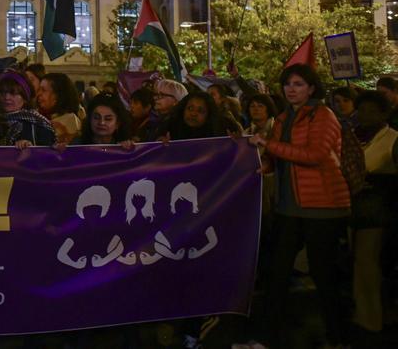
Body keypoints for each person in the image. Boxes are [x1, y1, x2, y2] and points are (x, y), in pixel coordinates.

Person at [248, 64, 351, 349]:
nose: (291, 89)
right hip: (288, 207)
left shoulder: (324, 116)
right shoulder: (283, 118)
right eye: (287, 84)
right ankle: (266, 338)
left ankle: (338, 338)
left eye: (298, 84)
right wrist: (265, 165)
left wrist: (269, 145)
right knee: (277, 274)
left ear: (312, 88)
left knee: (324, 274)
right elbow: (280, 157)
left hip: (323, 206)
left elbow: (315, 155)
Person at [350, 90, 397, 335]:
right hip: (349, 211)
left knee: (368, 265)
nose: (365, 114)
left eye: (371, 110)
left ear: (384, 113)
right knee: (357, 263)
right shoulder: (350, 136)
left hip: (378, 212)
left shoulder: (393, 139)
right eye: (362, 109)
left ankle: (370, 320)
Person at [0, 70, 55, 148]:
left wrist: (30, 148)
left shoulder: (39, 124)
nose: (6, 97)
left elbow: (49, 156)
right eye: (2, 93)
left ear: (25, 98)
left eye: (13, 93)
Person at [165, 91, 231, 141]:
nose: (193, 114)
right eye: (190, 108)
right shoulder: (168, 131)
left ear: (209, 115)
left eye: (200, 111)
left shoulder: (219, 137)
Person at [36, 73, 82, 143]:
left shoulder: (71, 120)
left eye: (43, 90)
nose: (39, 94)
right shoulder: (35, 116)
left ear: (58, 95)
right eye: (39, 90)